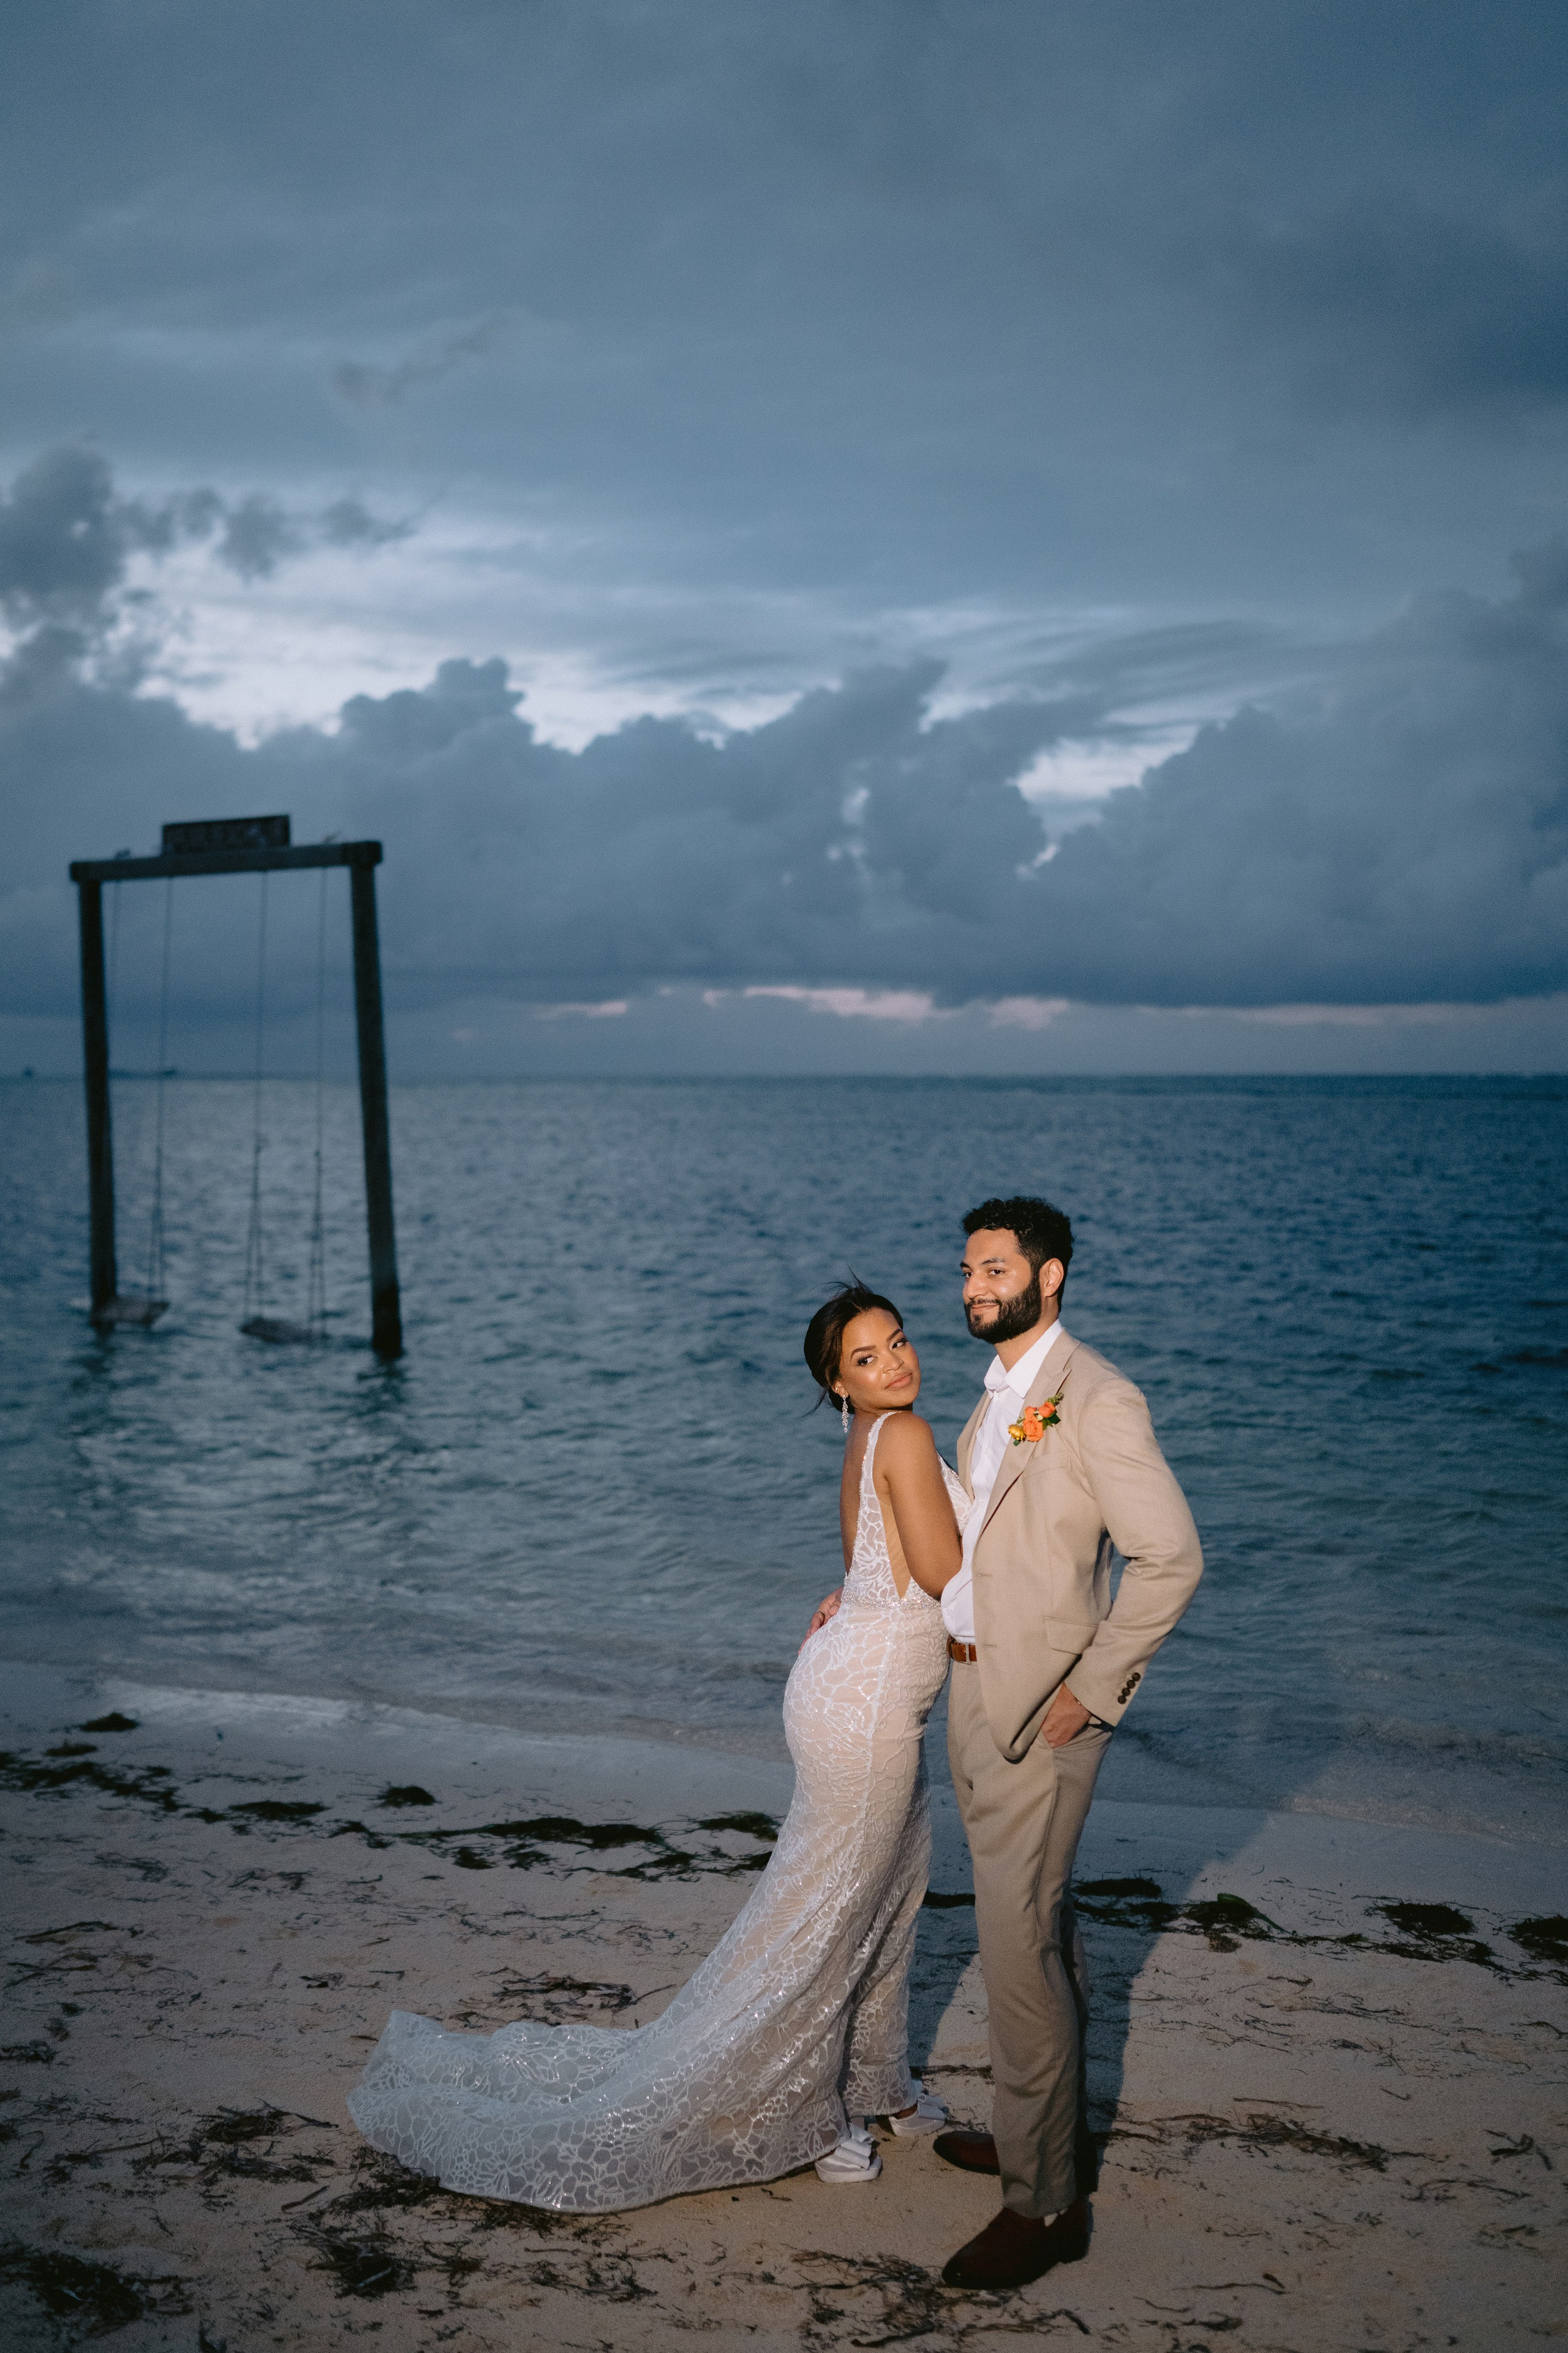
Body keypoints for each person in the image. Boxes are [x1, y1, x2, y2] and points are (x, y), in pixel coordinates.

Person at [346, 1282, 968, 2211]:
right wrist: (1031, 1528)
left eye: (900, 1340)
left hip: (852, 1687)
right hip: (866, 1707)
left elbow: (867, 1570)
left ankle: (881, 2085)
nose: (896, 1362)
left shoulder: (874, 1435)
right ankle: (814, 2115)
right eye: (868, 1358)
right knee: (836, 1918)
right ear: (840, 1385)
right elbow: (944, 1573)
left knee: (886, 1894)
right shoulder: (907, 1434)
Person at [810, 1195, 1203, 2291]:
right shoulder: (995, 1399)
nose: (976, 1285)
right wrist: (858, 1598)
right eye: (969, 1269)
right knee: (1043, 1934)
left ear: (1052, 1274)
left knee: (1018, 1947)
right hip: (973, 1700)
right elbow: (956, 1545)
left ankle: (1043, 2207)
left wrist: (1095, 1687)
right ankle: (1043, 2139)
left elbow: (1170, 1558)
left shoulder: (1098, 1397)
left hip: (1044, 1711)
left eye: (996, 1267)